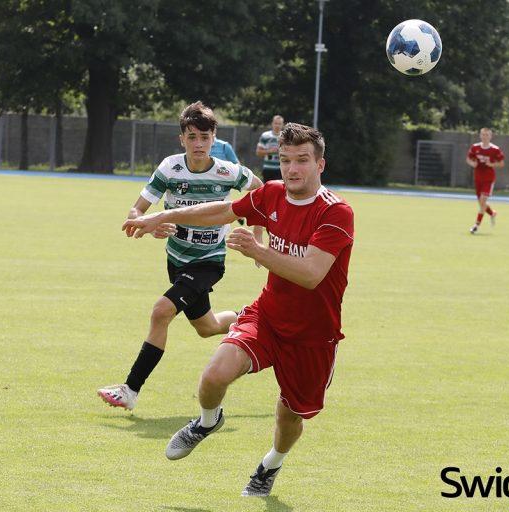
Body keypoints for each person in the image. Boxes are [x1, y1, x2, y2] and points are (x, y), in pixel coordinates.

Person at [122, 123, 354, 497]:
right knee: (214, 376)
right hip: (268, 316)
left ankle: (270, 465)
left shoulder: (336, 212)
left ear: (320, 165)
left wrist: (258, 250)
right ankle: (207, 422)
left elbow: (311, 274)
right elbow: (224, 210)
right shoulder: (273, 193)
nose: (292, 169)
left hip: (314, 334)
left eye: (302, 161)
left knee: (289, 416)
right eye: (285, 160)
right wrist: (161, 217)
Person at [97, 101, 262, 411]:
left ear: (215, 138)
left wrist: (257, 235)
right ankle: (255, 322)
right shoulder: (169, 168)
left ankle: (130, 390)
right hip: (176, 260)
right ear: (181, 139)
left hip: (209, 262)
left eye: (204, 137)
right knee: (207, 327)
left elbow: (262, 194)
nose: (198, 144)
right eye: (191, 137)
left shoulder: (229, 172)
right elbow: (138, 209)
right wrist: (147, 224)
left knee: (161, 311)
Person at [466, 127, 505, 234]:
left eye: (487, 135)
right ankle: (492, 213)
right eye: (483, 134)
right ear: (480, 135)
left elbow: (501, 163)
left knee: (483, 201)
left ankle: (476, 226)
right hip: (478, 177)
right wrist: (472, 163)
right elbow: (468, 159)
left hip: (488, 178)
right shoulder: (475, 147)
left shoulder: (495, 149)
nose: (485, 137)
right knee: (481, 203)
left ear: (490, 136)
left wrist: (492, 164)